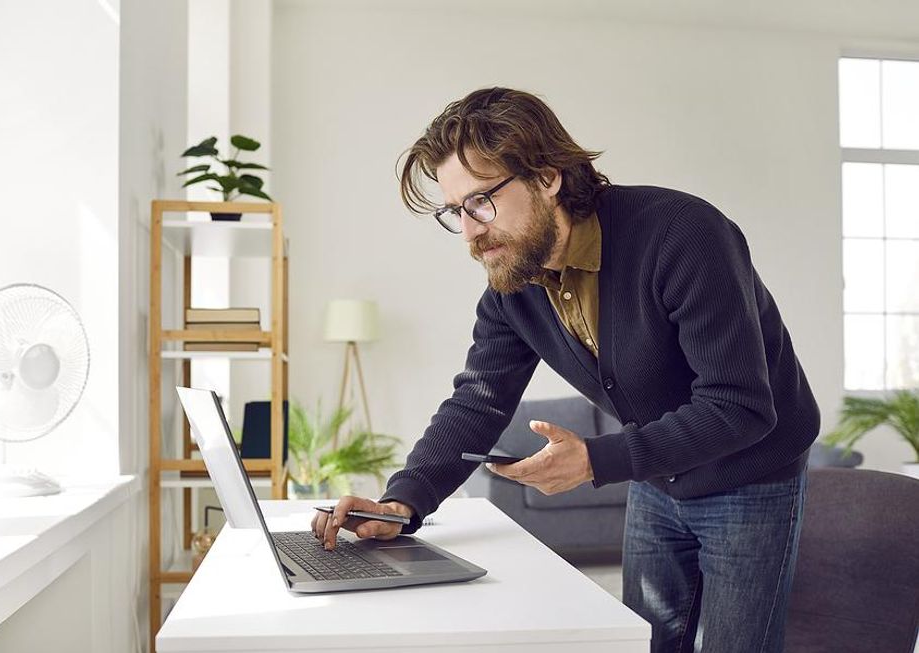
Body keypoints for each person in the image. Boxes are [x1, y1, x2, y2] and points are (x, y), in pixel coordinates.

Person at [311, 87, 820, 653]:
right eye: (455, 211)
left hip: (750, 475)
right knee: (649, 641)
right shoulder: (515, 281)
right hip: (657, 480)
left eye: (481, 201)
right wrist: (403, 504)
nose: (470, 232)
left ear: (547, 176)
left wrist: (595, 460)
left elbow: (740, 406)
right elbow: (479, 399)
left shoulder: (684, 234)